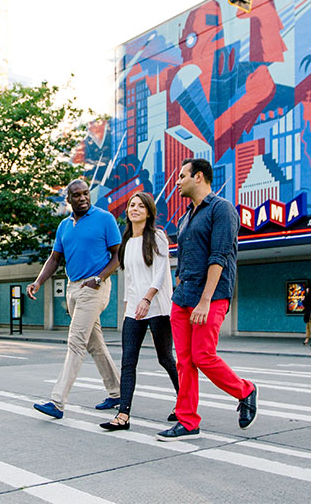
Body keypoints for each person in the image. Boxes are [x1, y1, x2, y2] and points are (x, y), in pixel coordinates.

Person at [156, 158, 258, 441]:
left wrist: (204, 300)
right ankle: (188, 421)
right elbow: (186, 257)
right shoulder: (186, 217)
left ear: (198, 177)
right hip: (183, 296)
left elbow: (220, 256)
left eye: (181, 176)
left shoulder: (222, 209)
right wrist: (179, 286)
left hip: (210, 296)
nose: (177, 182)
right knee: (184, 361)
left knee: (203, 355)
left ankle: (245, 390)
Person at [27, 179, 122, 418]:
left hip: (95, 287)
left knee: (76, 341)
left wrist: (99, 279)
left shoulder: (104, 219)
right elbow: (54, 259)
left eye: (85, 193)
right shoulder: (64, 226)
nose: (82, 198)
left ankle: (57, 402)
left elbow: (118, 257)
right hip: (73, 289)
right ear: (68, 199)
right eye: (76, 195)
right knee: (94, 344)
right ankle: (117, 392)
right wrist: (38, 281)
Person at [99, 192, 179, 432]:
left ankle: (184, 402)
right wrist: (128, 308)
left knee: (165, 358)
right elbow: (130, 280)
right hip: (134, 308)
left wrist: (148, 298)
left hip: (158, 307)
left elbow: (160, 272)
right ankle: (123, 415)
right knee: (128, 362)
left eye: (140, 206)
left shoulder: (157, 237)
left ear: (148, 212)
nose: (135, 209)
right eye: (132, 205)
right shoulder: (127, 242)